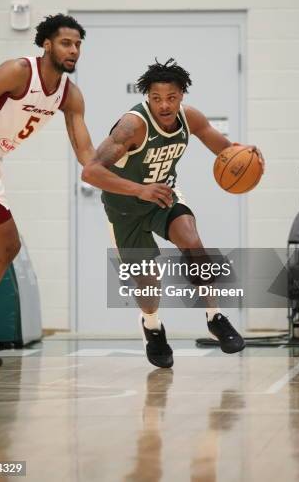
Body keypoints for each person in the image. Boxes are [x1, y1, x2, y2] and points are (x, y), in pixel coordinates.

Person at [82, 58, 264, 368]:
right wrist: (139, 189)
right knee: (148, 282)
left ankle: (215, 317)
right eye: (156, 98)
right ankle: (152, 327)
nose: (164, 105)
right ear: (147, 97)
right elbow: (90, 172)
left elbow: (225, 149)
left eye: (171, 98)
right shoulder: (131, 127)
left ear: (182, 95)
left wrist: (246, 153)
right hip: (124, 208)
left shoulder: (190, 118)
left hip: (163, 197)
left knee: (193, 241)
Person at [0, 13, 94, 367]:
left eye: (78, 44)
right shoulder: (18, 71)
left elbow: (87, 156)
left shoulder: (70, 96)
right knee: (8, 244)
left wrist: (125, 174)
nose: (73, 50)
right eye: (66, 42)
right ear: (46, 44)